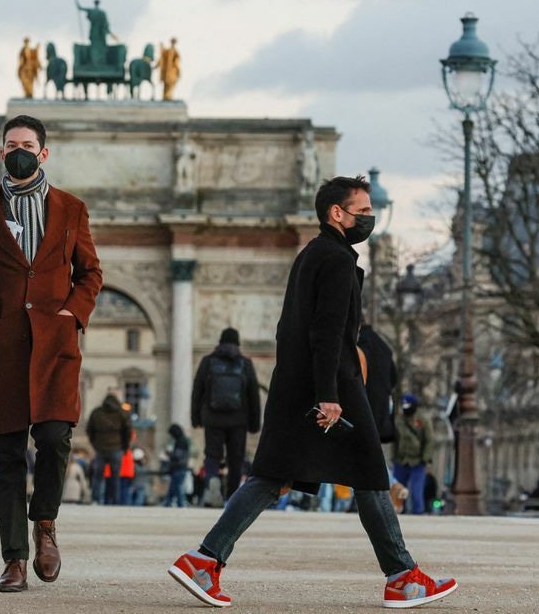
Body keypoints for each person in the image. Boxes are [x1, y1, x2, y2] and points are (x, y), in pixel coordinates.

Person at [168, 176, 457, 609]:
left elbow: (291, 329)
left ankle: (203, 561)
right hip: (332, 385)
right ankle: (402, 577)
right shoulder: (338, 261)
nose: (368, 219)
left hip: (296, 385)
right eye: (361, 211)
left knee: (272, 477)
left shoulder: (311, 254)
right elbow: (329, 334)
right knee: (371, 475)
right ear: (335, 213)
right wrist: (329, 394)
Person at [0, 114, 102, 592]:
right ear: (1, 153)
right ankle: (14, 559)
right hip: (5, 349)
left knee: (56, 438)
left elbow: (90, 273)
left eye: (26, 143)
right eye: (9, 144)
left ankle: (45, 523)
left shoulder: (72, 209)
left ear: (43, 153)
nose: (17, 150)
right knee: (4, 457)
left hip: (55, 347)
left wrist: (72, 315)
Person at [191, 327, 261, 507]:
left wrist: (196, 417)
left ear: (220, 342)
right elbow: (254, 394)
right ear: (238, 343)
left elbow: (197, 390)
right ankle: (231, 497)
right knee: (236, 459)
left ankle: (212, 482)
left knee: (212, 456)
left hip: (213, 418)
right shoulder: (245, 363)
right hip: (239, 419)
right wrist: (254, 422)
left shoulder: (208, 362)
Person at [86, 390, 132, 505]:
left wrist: (95, 444)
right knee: (115, 476)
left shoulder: (96, 413)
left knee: (98, 476)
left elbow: (89, 429)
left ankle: (96, 499)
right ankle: (114, 500)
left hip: (100, 447)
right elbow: (127, 431)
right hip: (116, 447)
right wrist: (125, 447)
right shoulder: (121, 413)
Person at [392, 394, 433, 515]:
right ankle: (398, 512)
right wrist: (393, 457)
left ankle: (418, 512)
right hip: (401, 460)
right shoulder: (398, 420)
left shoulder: (423, 420)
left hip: (417, 461)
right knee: (398, 489)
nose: (405, 407)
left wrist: (425, 459)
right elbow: (394, 439)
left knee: (416, 490)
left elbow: (429, 440)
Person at [358, 323, 398, 444]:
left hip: (365, 410)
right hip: (383, 413)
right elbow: (394, 378)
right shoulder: (383, 346)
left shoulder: (360, 345)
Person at [163, 424, 191, 508]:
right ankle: (168, 502)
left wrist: (169, 454)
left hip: (179, 468)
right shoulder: (182, 440)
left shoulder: (181, 441)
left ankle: (180, 503)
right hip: (179, 468)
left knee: (177, 487)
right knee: (173, 487)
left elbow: (178, 455)